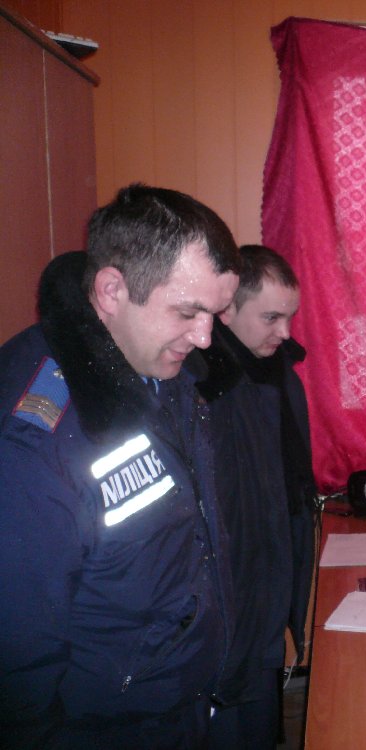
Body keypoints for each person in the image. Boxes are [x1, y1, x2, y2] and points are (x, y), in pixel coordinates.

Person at [0, 184, 241, 748]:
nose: (205, 336)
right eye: (188, 311)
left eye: (213, 314)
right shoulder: (32, 442)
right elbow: (18, 664)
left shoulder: (161, 367)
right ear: (112, 291)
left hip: (179, 705)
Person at [198, 245, 317, 749]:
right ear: (227, 309)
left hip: (272, 569)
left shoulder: (277, 372)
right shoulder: (208, 386)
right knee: (237, 721)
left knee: (263, 715)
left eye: (290, 317)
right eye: (271, 318)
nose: (286, 332)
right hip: (238, 584)